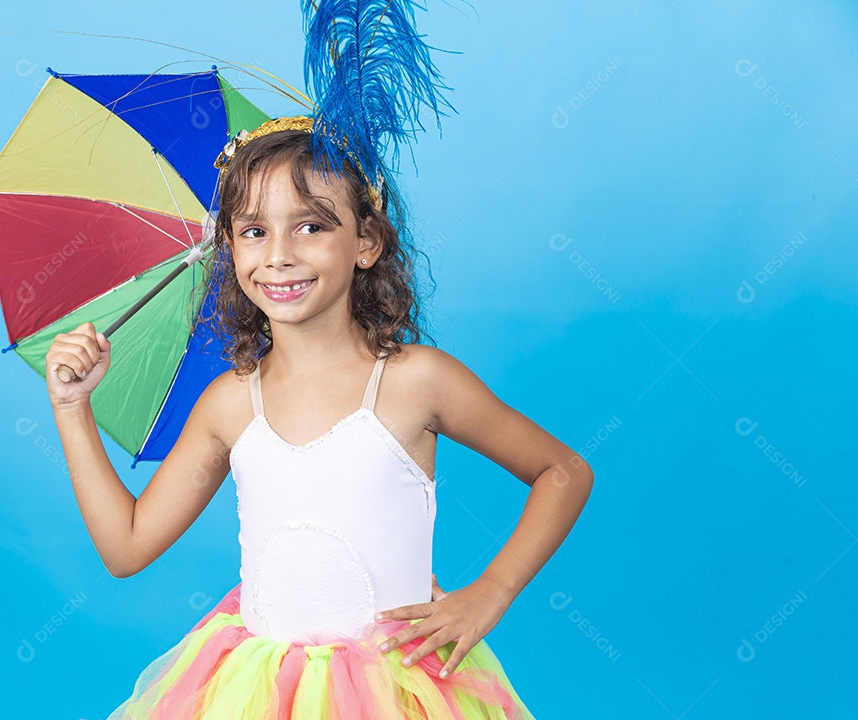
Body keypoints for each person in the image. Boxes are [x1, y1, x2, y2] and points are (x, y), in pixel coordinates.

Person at [44, 116, 593, 718]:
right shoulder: (229, 403)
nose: (278, 255)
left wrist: (491, 593)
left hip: (395, 690)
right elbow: (126, 548)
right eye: (254, 230)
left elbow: (562, 470)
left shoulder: (417, 381)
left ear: (366, 242)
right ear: (228, 245)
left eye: (310, 226)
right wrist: (72, 409)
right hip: (256, 693)